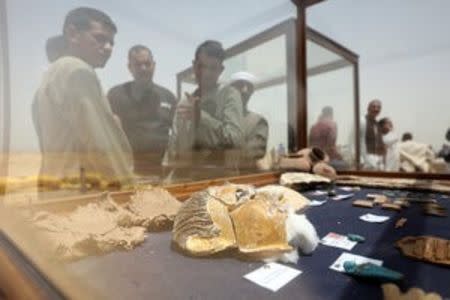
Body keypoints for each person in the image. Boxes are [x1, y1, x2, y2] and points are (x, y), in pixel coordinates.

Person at [32, 7, 134, 183]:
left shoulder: (51, 76)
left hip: (56, 191)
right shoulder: (78, 71)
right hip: (82, 195)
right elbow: (101, 145)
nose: (108, 48)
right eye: (100, 39)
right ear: (73, 34)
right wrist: (126, 185)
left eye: (112, 43)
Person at [169, 40, 243, 178]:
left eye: (213, 68)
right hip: (186, 181)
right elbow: (174, 147)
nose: (206, 73)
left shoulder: (229, 95)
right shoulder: (185, 101)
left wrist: (201, 118)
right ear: (194, 66)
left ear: (221, 70)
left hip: (220, 183)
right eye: (201, 66)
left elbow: (235, 140)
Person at [108, 45, 177, 176]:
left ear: (154, 65)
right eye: (138, 64)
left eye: (147, 64)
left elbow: (178, 134)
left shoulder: (168, 96)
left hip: (162, 171)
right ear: (130, 67)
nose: (143, 68)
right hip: (128, 171)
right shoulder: (115, 95)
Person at [229, 71, 268, 171]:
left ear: (252, 92)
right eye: (240, 85)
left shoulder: (258, 121)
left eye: (249, 87)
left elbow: (253, 153)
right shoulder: (218, 118)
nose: (244, 90)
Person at [360, 99, 385, 170]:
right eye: (373, 107)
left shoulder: (377, 124)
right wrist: (360, 160)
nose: (376, 109)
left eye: (378, 107)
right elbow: (354, 141)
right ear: (368, 108)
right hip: (365, 160)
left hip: (377, 161)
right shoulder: (362, 121)